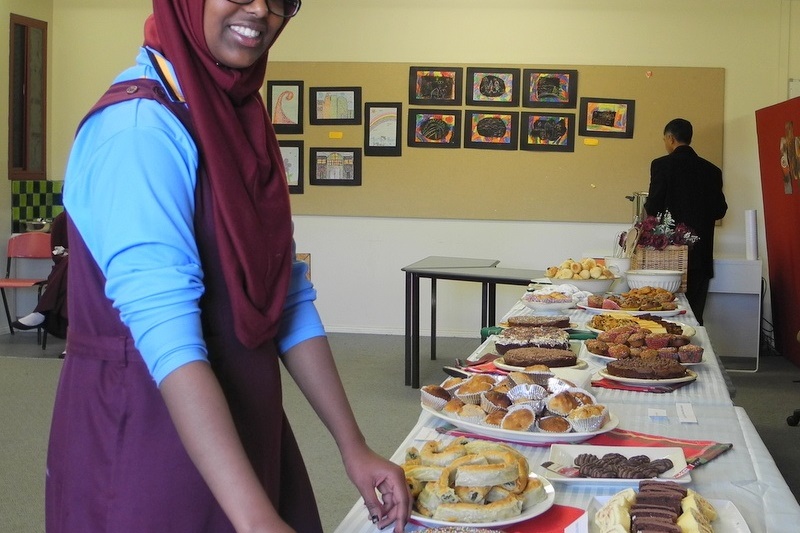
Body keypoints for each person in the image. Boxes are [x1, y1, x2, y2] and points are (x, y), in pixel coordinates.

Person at [45, 1, 410, 532]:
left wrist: (354, 447)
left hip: (239, 425)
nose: (262, 9)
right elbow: (168, 339)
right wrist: (255, 516)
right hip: (148, 433)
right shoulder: (138, 130)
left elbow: (282, 292)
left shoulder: (234, 114)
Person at [644, 118, 728, 324]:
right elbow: (720, 210)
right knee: (695, 316)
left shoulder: (661, 165)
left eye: (665, 139)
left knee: (663, 313)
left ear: (671, 138)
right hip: (700, 254)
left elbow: (653, 206)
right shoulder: (712, 170)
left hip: (667, 254)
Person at [12, 211, 69, 339]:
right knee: (72, 280)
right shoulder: (62, 219)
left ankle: (41, 312)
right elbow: (56, 252)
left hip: (91, 268)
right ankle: (71, 342)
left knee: (72, 272)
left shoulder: (97, 217)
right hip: (66, 269)